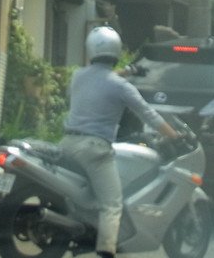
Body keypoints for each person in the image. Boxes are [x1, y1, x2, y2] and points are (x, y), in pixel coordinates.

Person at [61, 26, 179, 258]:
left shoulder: (78, 76)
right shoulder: (121, 87)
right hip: (94, 150)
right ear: (116, 50)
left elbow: (99, 79)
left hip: (66, 144)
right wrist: (173, 135)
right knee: (112, 203)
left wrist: (129, 70)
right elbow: (149, 115)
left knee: (81, 195)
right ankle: (106, 249)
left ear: (90, 50)